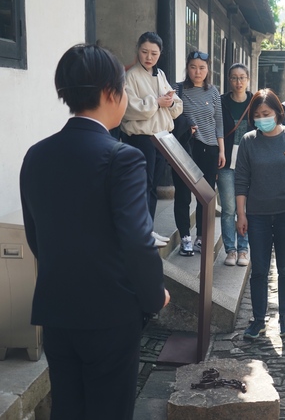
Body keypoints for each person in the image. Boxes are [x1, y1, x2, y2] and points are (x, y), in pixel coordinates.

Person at [20, 44, 170, 420]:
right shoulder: (123, 157)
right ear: (109, 93)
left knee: (68, 408)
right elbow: (138, 242)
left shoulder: (36, 154)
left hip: (57, 309)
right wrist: (154, 297)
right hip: (110, 314)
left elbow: (36, 237)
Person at [235, 89, 285, 340]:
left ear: (278, 112)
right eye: (257, 115)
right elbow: (241, 180)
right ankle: (258, 320)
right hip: (257, 215)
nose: (262, 119)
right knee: (259, 269)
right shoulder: (248, 141)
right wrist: (241, 214)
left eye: (266, 113)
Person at [120, 32, 183, 247]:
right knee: (142, 186)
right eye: (145, 52)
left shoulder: (160, 74)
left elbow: (176, 104)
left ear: (160, 54)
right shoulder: (130, 76)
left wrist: (169, 102)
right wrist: (156, 102)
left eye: (154, 53)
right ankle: (141, 232)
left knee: (153, 186)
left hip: (160, 137)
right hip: (141, 138)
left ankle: (149, 229)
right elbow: (129, 109)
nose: (149, 57)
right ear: (138, 50)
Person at [173, 51, 225, 256]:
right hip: (186, 147)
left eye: (202, 68)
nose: (197, 71)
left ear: (208, 70)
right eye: (193, 67)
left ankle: (201, 237)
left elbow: (218, 123)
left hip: (209, 148)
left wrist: (221, 150)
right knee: (183, 193)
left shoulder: (213, 91)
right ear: (187, 68)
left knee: (205, 195)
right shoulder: (177, 89)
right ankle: (185, 237)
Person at [219, 63, 252, 266]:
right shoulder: (221, 102)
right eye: (234, 78)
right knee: (229, 208)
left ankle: (243, 250)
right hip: (226, 162)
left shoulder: (255, 101)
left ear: (248, 79)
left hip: (249, 163)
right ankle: (230, 249)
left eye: (242, 77)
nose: (238, 82)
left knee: (245, 208)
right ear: (229, 80)